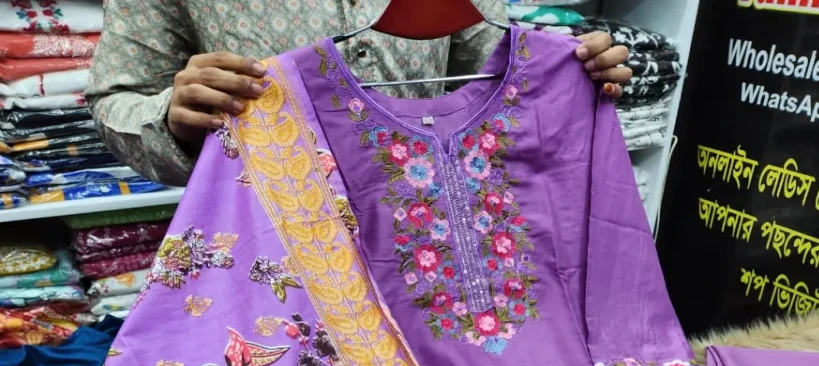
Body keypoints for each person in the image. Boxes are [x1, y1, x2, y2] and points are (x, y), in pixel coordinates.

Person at [86, 0, 632, 187]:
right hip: (278, 241)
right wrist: (172, 117)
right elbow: (118, 99)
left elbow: (491, 73)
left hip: (430, 230)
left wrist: (569, 76)